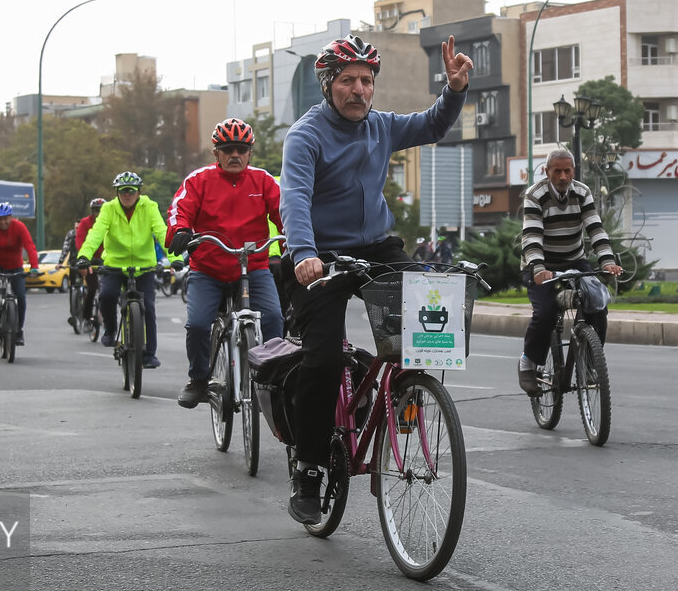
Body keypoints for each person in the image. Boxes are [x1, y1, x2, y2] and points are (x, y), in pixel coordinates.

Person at [280, 33, 472, 524]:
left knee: (424, 327)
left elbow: (432, 124)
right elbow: (295, 199)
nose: (359, 90)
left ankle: (405, 403)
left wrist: (453, 90)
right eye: (348, 81)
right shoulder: (305, 136)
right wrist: (303, 253)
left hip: (375, 246)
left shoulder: (382, 126)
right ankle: (308, 468)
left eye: (367, 80)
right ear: (328, 85)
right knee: (321, 360)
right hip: (318, 256)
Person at [167, 117, 283, 409]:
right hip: (208, 269)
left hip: (253, 266)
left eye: (242, 149)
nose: (235, 155)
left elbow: (287, 214)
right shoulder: (198, 180)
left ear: (250, 153)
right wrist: (181, 231)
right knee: (196, 325)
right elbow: (179, 209)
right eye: (228, 149)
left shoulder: (264, 181)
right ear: (216, 152)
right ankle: (198, 380)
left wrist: (293, 243)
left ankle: (276, 379)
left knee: (273, 318)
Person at [517, 147, 623, 394]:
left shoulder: (582, 192)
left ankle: (590, 362)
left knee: (598, 304)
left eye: (567, 171)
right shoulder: (535, 195)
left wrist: (607, 260)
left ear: (573, 171)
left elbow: (595, 229)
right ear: (547, 172)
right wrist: (539, 268)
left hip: (574, 260)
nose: (563, 177)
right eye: (557, 171)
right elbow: (531, 237)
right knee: (545, 313)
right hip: (541, 265)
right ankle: (528, 363)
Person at [75, 172, 168, 368]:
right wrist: (84, 256)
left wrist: (175, 258)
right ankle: (110, 330)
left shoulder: (149, 207)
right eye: (122, 191)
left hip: (144, 266)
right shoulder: (108, 209)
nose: (127, 194)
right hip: (115, 265)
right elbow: (95, 235)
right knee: (107, 296)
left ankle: (149, 354)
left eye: (131, 191)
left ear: (138, 192)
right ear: (116, 192)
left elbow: (162, 232)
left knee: (149, 307)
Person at [0, 202, 39, 346]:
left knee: (21, 295)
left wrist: (34, 266)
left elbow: (30, 246)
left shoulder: (19, 227)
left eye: (6, 218)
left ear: (11, 217)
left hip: (15, 265)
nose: (3, 222)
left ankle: (19, 330)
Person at [73, 198, 105, 327]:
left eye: (101, 210)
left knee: (108, 289)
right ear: (92, 211)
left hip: (106, 258)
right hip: (90, 259)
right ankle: (86, 318)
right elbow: (80, 240)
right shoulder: (85, 222)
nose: (98, 213)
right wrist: (83, 259)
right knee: (92, 288)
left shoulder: (111, 221)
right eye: (96, 210)